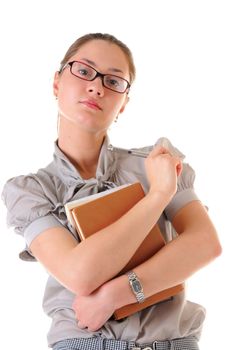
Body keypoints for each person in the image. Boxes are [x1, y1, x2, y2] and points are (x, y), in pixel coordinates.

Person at [2, 33, 221, 350]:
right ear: (56, 83)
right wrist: (158, 196)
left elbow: (205, 244)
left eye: (114, 81)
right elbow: (80, 274)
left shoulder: (156, 163)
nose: (96, 86)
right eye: (84, 71)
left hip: (176, 342)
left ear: (124, 104)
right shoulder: (31, 192)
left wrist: (117, 294)